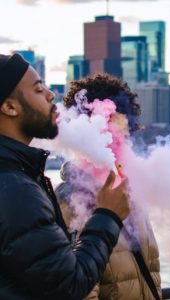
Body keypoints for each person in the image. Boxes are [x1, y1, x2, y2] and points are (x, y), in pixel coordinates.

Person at [0, 53, 130, 299]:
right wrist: (108, 216)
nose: (51, 95)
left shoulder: (17, 178)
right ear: (9, 107)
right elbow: (67, 286)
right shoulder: (15, 189)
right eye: (38, 89)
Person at [59, 73, 161, 300]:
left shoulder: (130, 194)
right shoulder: (71, 202)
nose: (122, 136)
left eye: (125, 126)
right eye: (113, 123)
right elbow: (79, 292)